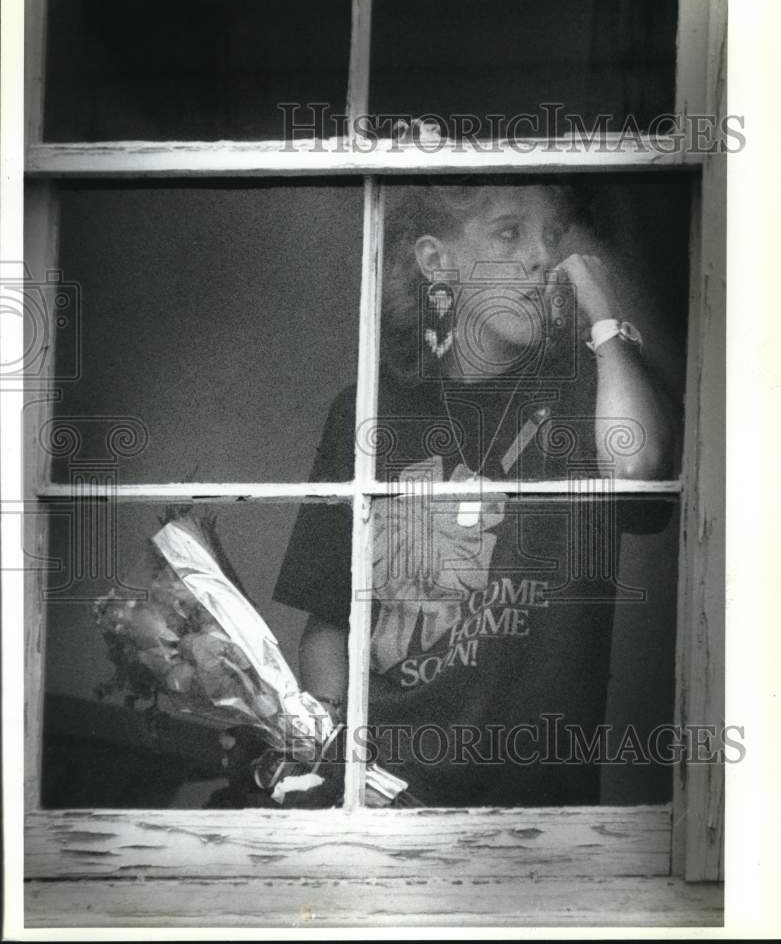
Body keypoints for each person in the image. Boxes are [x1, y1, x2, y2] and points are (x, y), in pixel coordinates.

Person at [271, 180, 677, 807]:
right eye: (509, 233)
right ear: (437, 261)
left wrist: (605, 321)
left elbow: (640, 465)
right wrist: (335, 764)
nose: (541, 257)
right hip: (384, 787)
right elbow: (330, 621)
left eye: (552, 236)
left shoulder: (588, 391)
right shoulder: (368, 409)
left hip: (534, 802)